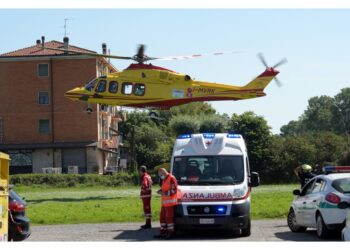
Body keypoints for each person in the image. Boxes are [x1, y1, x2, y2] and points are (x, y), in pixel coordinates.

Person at [154, 168, 178, 239]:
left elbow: (174, 190)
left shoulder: (171, 178)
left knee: (169, 219)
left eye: (161, 175)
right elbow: (165, 188)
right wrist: (160, 190)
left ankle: (170, 234)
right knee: (162, 218)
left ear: (163, 173)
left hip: (170, 203)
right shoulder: (164, 179)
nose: (160, 177)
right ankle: (163, 232)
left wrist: (163, 193)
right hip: (164, 203)